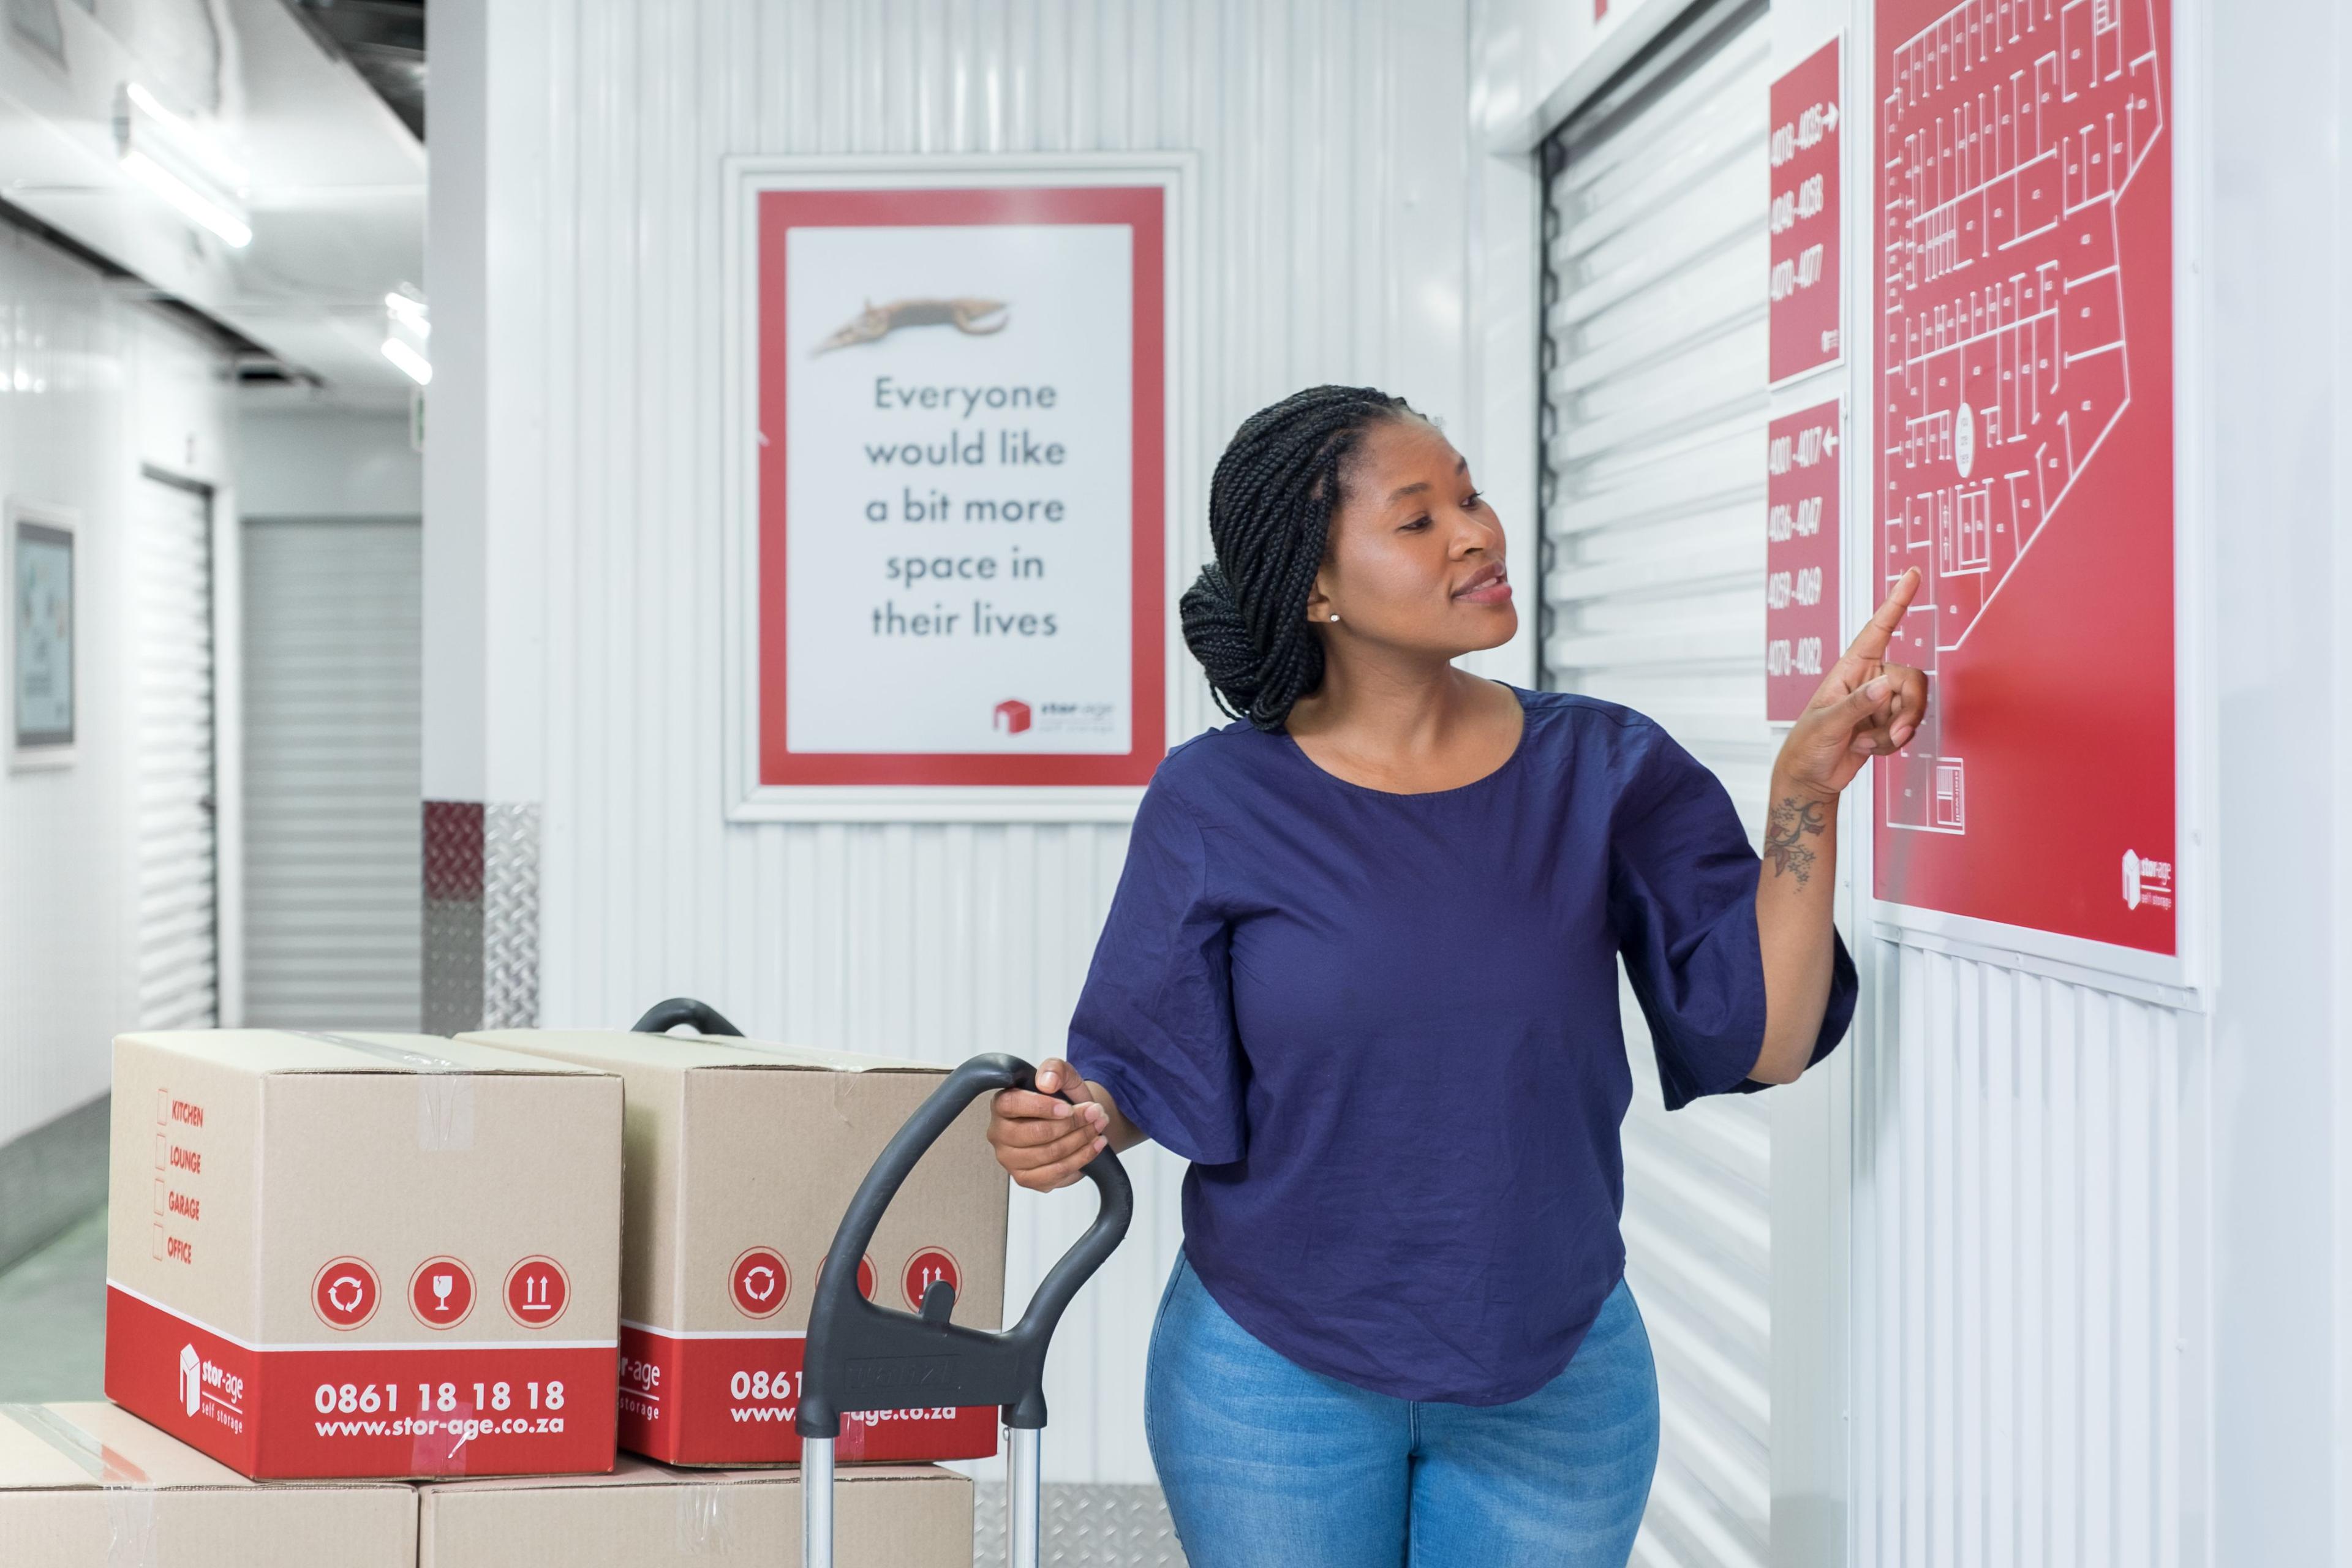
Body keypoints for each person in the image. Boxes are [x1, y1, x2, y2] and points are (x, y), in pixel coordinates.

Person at [987, 385, 1923, 1567]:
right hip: (1271, 1384)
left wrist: (1805, 797)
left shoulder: (1605, 770)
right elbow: (1142, 1072)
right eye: (1418, 518)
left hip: (1556, 1385)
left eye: (1471, 497)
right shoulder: (1217, 800)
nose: (1478, 532)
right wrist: (1072, 1123)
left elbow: (1770, 1039)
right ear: (1316, 587)